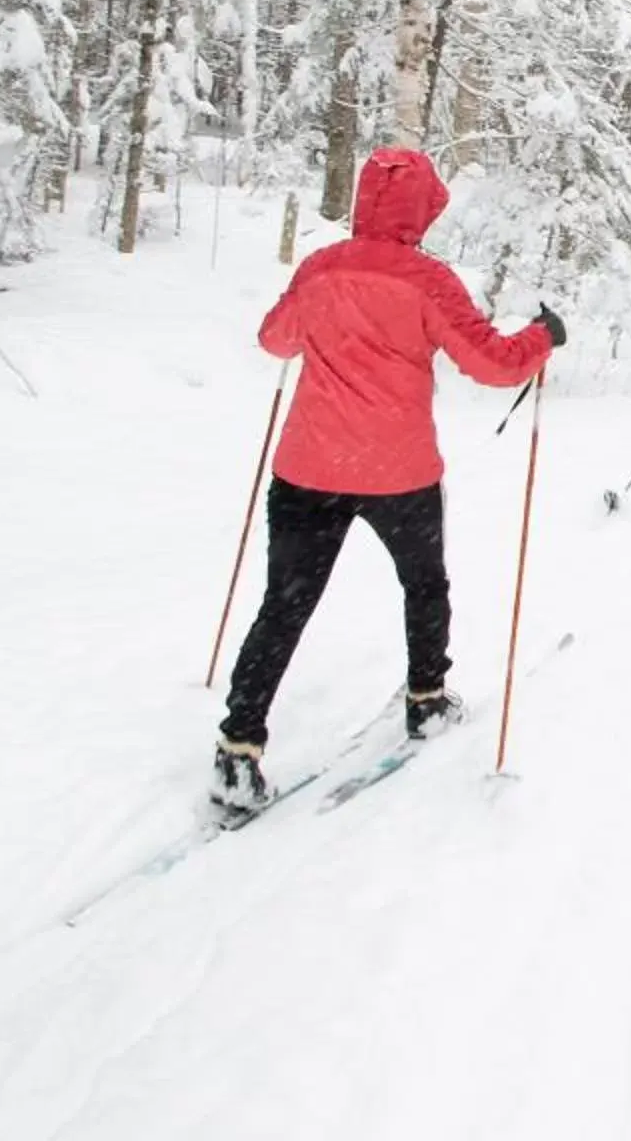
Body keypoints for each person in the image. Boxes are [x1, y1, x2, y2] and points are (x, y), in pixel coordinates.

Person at [212, 146, 563, 815]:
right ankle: (427, 700)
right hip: (397, 474)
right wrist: (542, 337)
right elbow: (492, 365)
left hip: (306, 470)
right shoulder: (427, 280)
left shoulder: (322, 267)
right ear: (424, 208)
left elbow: (274, 341)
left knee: (284, 605)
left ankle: (238, 746)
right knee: (423, 583)